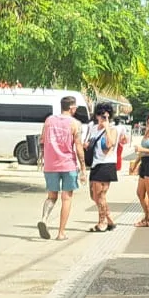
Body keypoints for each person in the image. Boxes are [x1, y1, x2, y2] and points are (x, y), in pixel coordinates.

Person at [38, 96, 86, 240]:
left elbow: (42, 141)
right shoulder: (75, 124)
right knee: (66, 198)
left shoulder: (48, 121)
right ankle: (61, 232)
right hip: (67, 164)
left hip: (50, 164)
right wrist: (83, 168)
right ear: (72, 108)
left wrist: (43, 157)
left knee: (52, 195)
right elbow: (78, 147)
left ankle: (44, 218)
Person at [86, 103, 120, 232]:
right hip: (95, 163)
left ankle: (102, 222)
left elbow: (110, 143)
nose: (103, 118)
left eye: (106, 116)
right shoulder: (94, 128)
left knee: (101, 195)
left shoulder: (112, 130)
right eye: (101, 115)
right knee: (94, 195)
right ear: (97, 116)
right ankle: (109, 218)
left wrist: (106, 128)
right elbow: (90, 143)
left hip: (106, 164)